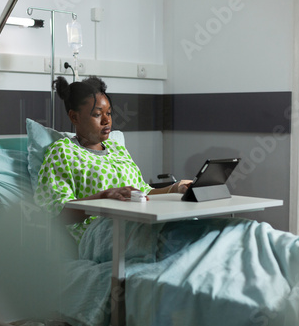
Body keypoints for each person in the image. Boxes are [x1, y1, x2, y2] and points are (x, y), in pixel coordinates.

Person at [34, 76, 191, 241]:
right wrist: (103, 197)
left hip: (139, 222)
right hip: (100, 234)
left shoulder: (118, 149)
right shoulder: (63, 152)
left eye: (108, 113)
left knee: (208, 231)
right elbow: (56, 213)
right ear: (74, 117)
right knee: (183, 239)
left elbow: (142, 191)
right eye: (97, 114)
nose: (106, 120)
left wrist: (175, 188)